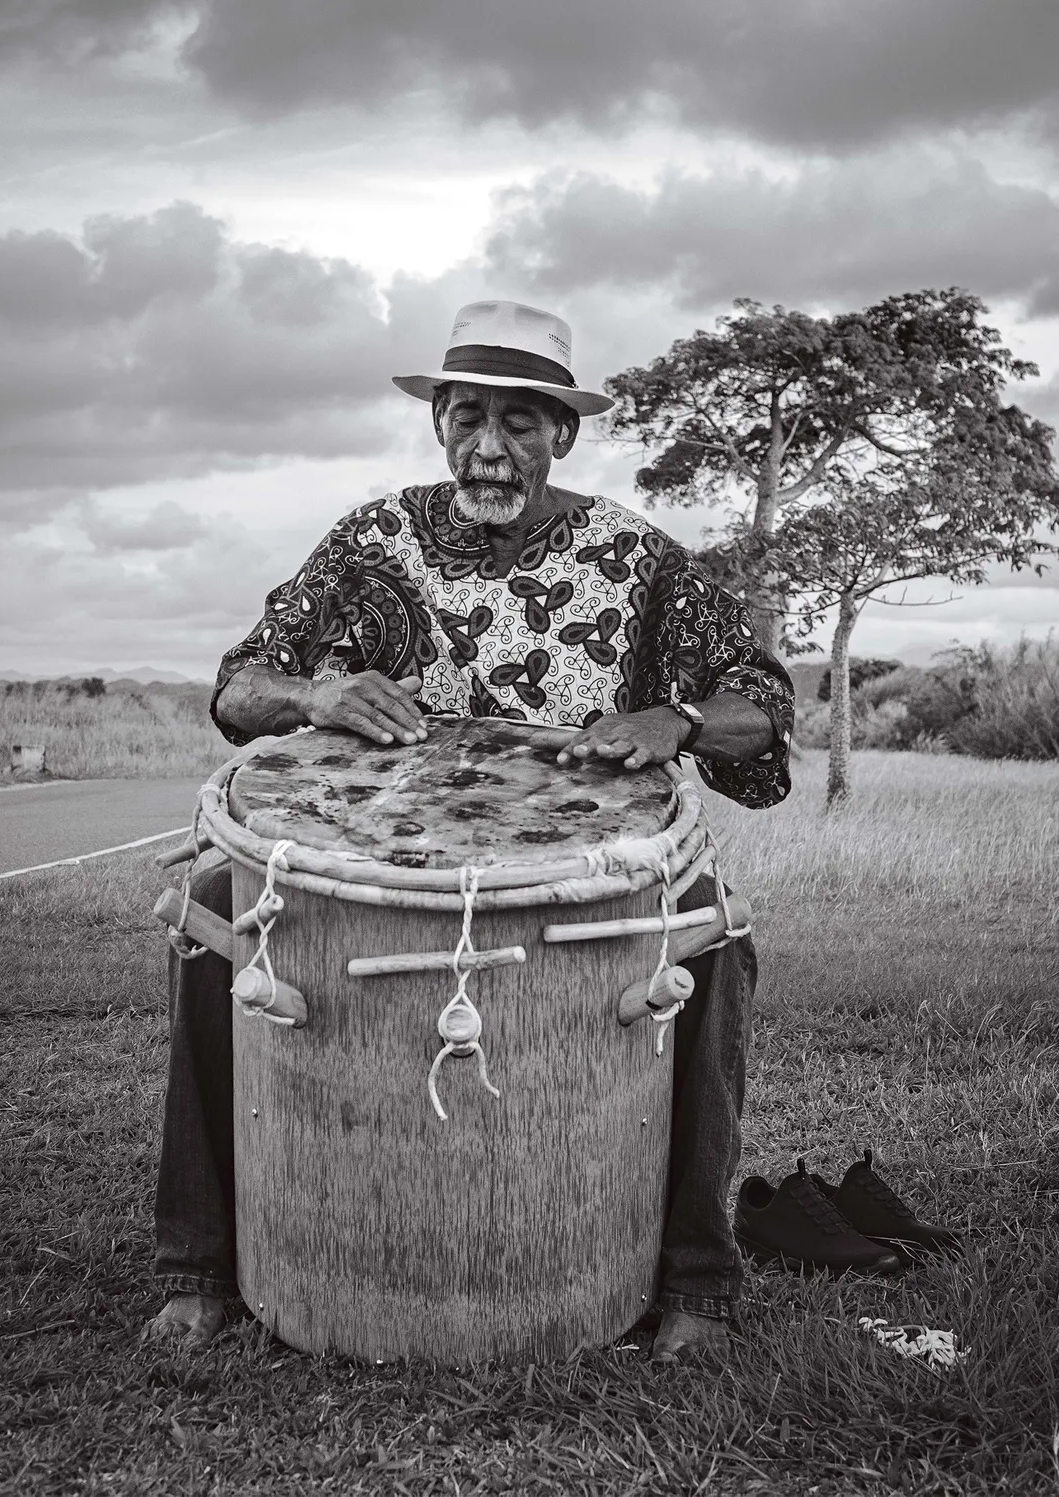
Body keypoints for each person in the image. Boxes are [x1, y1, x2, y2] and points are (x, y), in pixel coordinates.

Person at [146, 300, 795, 1364]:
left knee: (714, 931)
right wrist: (317, 693)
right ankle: (200, 1265)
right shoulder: (369, 545)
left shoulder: (638, 564)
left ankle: (696, 1278)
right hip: (362, 865)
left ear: (562, 434)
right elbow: (238, 686)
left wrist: (674, 716)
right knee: (216, 910)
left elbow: (761, 701)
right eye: (467, 417)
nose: (490, 446)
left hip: (580, 873)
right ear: (439, 421)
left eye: (521, 422)